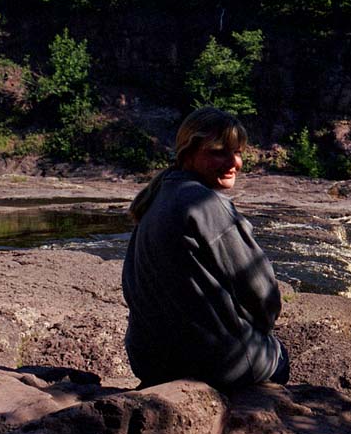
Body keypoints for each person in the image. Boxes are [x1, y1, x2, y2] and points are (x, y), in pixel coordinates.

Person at [122, 107, 289, 389]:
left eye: (238, 152)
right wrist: (256, 328)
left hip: (149, 362)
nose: (233, 162)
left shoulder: (156, 199)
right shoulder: (204, 203)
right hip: (216, 362)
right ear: (188, 152)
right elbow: (263, 294)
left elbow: (130, 285)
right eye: (219, 152)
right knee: (280, 357)